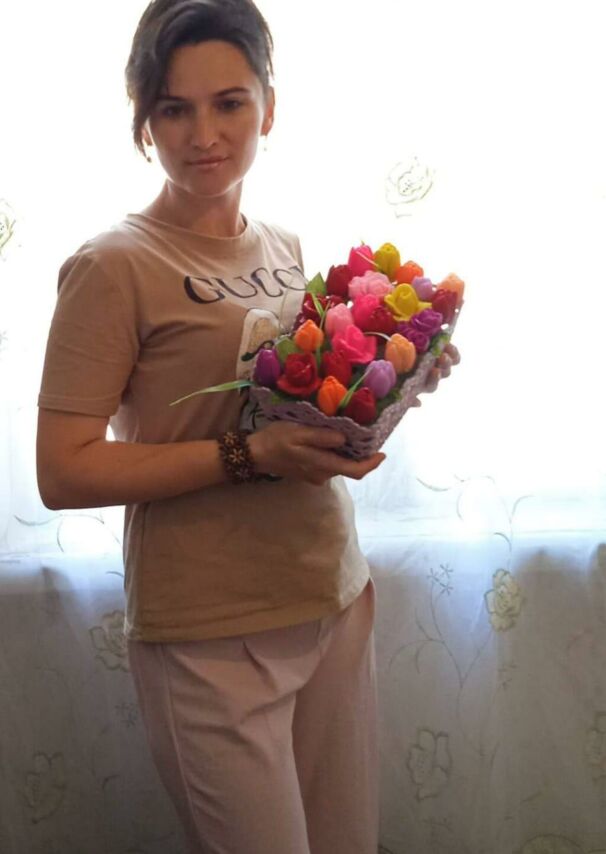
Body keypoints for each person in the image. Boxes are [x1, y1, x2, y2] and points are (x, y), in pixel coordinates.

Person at [36, 1, 459, 851]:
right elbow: (64, 469)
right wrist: (247, 454)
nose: (204, 135)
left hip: (329, 593)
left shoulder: (283, 246)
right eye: (174, 108)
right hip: (210, 632)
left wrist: (394, 382)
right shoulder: (113, 266)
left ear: (269, 108)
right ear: (142, 121)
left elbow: (297, 414)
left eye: (229, 102)